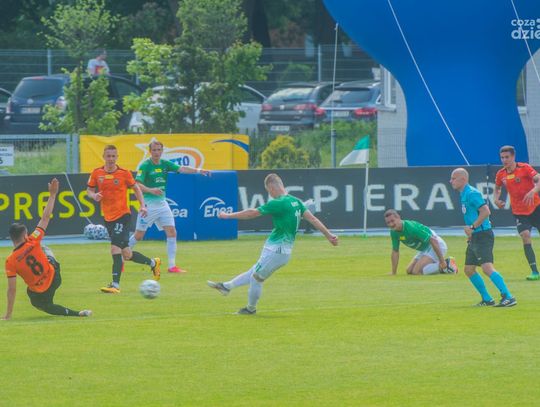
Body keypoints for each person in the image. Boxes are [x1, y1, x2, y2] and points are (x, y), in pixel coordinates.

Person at [207, 173, 339, 315]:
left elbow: (252, 213)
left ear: (272, 188)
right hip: (274, 248)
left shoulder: (279, 203)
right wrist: (329, 235)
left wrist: (228, 216)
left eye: (268, 191)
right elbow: (313, 219)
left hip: (278, 251)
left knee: (256, 278)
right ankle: (227, 287)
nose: (270, 194)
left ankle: (250, 309)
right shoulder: (296, 201)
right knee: (254, 271)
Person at [3, 178, 92, 320]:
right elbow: (45, 217)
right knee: (44, 248)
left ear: (11, 238)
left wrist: (8, 314)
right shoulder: (33, 239)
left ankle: (77, 313)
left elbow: (12, 289)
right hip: (55, 276)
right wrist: (52, 195)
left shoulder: (10, 261)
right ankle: (49, 257)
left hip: (41, 291)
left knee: (41, 303)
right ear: (25, 235)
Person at [128, 140, 211, 273]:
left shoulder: (165, 164)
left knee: (172, 232)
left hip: (162, 205)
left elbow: (182, 169)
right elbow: (137, 185)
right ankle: (122, 258)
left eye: (159, 150)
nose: (156, 152)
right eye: (154, 150)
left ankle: (172, 266)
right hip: (148, 206)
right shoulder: (145, 165)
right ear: (150, 151)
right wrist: (151, 190)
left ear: (162, 151)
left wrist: (199, 170)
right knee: (139, 235)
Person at [87, 145, 160, 294]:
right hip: (108, 217)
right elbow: (89, 190)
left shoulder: (124, 173)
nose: (111, 159)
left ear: (117, 157)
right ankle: (153, 263)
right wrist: (94, 196)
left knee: (115, 248)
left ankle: (115, 285)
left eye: (113, 156)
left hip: (123, 216)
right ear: (104, 156)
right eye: (108, 156)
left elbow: (136, 188)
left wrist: (143, 205)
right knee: (127, 254)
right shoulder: (97, 173)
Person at [450, 168, 516, 307]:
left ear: (463, 179)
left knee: (487, 268)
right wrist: (471, 233)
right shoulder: (464, 193)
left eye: (454, 178)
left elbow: (486, 211)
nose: (451, 181)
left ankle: (508, 296)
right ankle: (487, 299)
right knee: (469, 269)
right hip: (475, 235)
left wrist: (472, 227)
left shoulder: (471, 193)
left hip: (482, 234)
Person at [494, 145, 540, 281]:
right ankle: (535, 272)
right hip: (519, 212)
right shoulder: (501, 174)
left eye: (507, 157)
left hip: (536, 207)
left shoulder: (524, 168)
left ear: (513, 156)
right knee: (525, 236)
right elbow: (497, 188)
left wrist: (533, 191)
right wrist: (496, 199)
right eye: (502, 158)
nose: (504, 160)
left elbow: (538, 179)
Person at [384, 209, 458, 275]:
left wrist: (442, 262)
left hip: (436, 245)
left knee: (416, 271)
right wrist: (393, 272)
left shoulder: (411, 228)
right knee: (409, 270)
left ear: (398, 217)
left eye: (392, 221)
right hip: (425, 248)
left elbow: (433, 240)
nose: (391, 224)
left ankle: (448, 264)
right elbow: (395, 251)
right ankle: (441, 267)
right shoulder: (394, 232)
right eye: (388, 223)